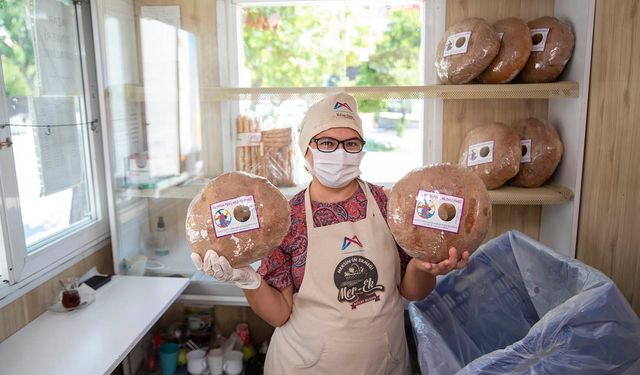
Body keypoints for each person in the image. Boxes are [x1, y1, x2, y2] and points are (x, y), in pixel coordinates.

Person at [191, 92, 469, 374]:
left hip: (383, 363)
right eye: (326, 143)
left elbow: (412, 292)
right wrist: (247, 279)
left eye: (351, 144)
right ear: (306, 149)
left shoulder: (391, 205)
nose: (340, 152)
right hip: (306, 365)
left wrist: (425, 267)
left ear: (361, 149)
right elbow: (279, 314)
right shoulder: (287, 218)